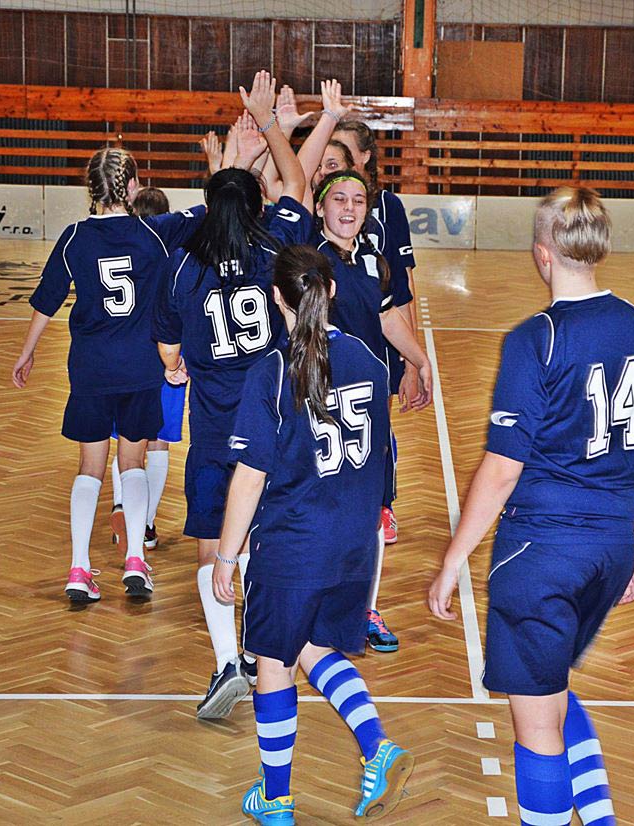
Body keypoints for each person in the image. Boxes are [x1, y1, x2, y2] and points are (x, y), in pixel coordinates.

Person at [428, 187, 634, 826]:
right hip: (610, 547)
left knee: (536, 724)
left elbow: (503, 469)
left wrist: (452, 559)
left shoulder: (537, 339)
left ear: (542, 255)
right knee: (551, 688)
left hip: (541, 553)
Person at [213, 244, 414, 825]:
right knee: (314, 647)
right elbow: (380, 458)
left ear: (275, 297)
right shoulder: (370, 361)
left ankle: (276, 798)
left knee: (273, 661)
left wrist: (226, 556)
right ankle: (377, 747)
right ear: (332, 291)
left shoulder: (273, 372)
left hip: (294, 543)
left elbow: (250, 477)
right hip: (354, 544)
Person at [152, 71, 312, 719]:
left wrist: (180, 367)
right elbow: (297, 185)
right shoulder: (275, 247)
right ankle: (259, 649)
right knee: (263, 538)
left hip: (216, 427)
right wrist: (271, 127)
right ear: (256, 206)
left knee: (212, 536)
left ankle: (226, 660)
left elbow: (169, 354)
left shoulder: (182, 265)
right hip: (273, 419)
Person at [11, 148, 205, 603]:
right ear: (133, 186)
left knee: (89, 469)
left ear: (90, 189)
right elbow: (211, 208)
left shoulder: (74, 237)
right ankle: (135, 559)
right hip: (140, 368)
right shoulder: (155, 232)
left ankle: (79, 568)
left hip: (90, 370)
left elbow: (46, 299)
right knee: (132, 463)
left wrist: (27, 352)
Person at [314, 168, 428, 653]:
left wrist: (419, 361)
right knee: (321, 503)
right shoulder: (308, 260)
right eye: (339, 199)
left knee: (370, 507)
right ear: (320, 206)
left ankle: (365, 607)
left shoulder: (371, 260)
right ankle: (313, 599)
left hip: (366, 403)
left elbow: (386, 317)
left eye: (358, 201)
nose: (348, 208)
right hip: (320, 401)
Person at [334, 119, 419, 545]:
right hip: (328, 352)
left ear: (365, 157)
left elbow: (401, 291)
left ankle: (382, 503)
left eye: (343, 152)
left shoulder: (387, 211)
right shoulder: (316, 214)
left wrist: (414, 363)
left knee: (375, 426)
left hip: (376, 347)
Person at [108, 186, 185, 554]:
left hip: (125, 359)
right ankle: (146, 524)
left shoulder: (120, 253)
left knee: (126, 442)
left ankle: (121, 504)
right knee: (158, 444)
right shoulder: (177, 257)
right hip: (168, 356)